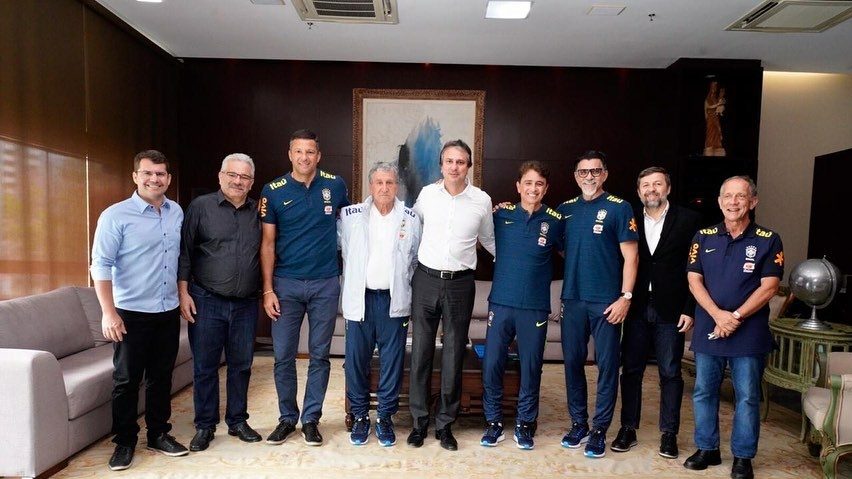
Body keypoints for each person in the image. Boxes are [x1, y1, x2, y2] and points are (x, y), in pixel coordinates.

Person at [90, 150, 188, 471]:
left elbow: (179, 259)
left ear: (168, 179)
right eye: (147, 173)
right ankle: (124, 441)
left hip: (167, 310)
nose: (153, 179)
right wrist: (108, 312)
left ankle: (159, 433)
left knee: (161, 377)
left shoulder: (176, 212)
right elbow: (101, 265)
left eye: (160, 174)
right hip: (130, 313)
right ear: (135, 176)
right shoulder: (115, 216)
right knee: (127, 380)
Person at [683, 175, 784, 479]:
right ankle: (707, 449)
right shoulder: (703, 237)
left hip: (749, 332)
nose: (733, 202)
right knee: (704, 391)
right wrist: (718, 315)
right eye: (727, 196)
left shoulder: (768, 239)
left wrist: (735, 317)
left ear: (753, 201)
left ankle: (743, 456)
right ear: (719, 201)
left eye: (740, 196)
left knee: (747, 396)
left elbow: (770, 287)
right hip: (709, 326)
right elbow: (693, 280)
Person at [260, 129, 349, 447]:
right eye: (298, 151)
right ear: (290, 154)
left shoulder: (335, 185)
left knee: (319, 356)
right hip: (286, 284)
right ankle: (287, 418)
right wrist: (268, 290)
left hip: (326, 283)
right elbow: (267, 244)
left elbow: (350, 225)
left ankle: (311, 419)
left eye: (310, 152)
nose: (304, 157)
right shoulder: (273, 190)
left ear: (318, 155)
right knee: (283, 356)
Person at [407, 139, 496, 451]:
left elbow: (489, 240)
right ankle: (419, 422)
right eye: (449, 161)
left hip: (460, 283)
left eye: (460, 162)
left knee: (454, 353)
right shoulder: (427, 195)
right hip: (426, 279)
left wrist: (513, 267)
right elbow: (411, 231)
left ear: (468, 166)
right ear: (441, 165)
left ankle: (445, 424)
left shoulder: (481, 200)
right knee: (420, 352)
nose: (454, 167)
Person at [611, 166, 702, 459]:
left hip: (671, 308)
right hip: (636, 306)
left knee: (670, 372)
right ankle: (628, 428)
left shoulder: (689, 220)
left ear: (668, 188)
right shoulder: (629, 218)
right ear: (639, 191)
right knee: (631, 370)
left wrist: (689, 308)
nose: (652, 189)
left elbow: (697, 268)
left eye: (657, 184)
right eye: (646, 185)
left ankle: (669, 433)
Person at [557, 150, 639, 459]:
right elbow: (564, 249)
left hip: (607, 302)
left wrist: (625, 297)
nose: (589, 176)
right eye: (583, 172)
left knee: (607, 367)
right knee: (572, 363)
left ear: (604, 174)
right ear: (575, 176)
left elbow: (632, 256)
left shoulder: (620, 207)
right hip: (573, 299)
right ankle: (579, 423)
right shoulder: (565, 210)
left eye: (595, 171)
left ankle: (600, 429)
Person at [178, 153, 262, 452]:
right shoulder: (201, 207)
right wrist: (183, 293)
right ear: (220, 176)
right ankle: (205, 425)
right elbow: (184, 252)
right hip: (206, 300)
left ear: (252, 182)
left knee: (242, 365)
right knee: (205, 366)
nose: (238, 181)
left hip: (246, 304)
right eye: (232, 175)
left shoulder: (259, 211)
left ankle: (237, 421)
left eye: (244, 177)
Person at [480, 161, 564, 450]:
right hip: (501, 302)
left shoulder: (555, 220)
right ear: (518, 186)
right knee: (492, 363)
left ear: (546, 189)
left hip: (534, 306)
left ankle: (525, 423)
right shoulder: (501, 215)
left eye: (539, 184)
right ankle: (493, 422)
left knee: (531, 367)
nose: (533, 189)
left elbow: (571, 254)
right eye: (528, 183)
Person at [339, 162, 422, 447]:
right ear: (370, 186)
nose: (384, 188)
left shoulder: (410, 218)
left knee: (392, 362)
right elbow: (341, 250)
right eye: (379, 182)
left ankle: (385, 416)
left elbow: (415, 259)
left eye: (389, 182)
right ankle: (361, 416)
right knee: (356, 361)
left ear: (397, 186)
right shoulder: (350, 216)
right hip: (360, 299)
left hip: (393, 301)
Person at [704, 81, 727, 156]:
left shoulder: (715, 98)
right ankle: (710, 145)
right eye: (713, 87)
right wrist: (718, 104)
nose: (714, 89)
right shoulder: (707, 99)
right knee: (711, 132)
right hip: (710, 118)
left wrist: (721, 98)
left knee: (717, 131)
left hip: (715, 118)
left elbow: (719, 105)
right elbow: (709, 107)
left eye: (715, 87)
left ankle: (717, 146)